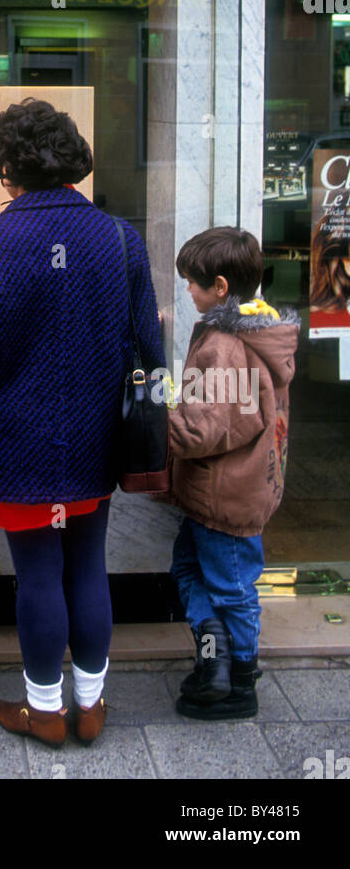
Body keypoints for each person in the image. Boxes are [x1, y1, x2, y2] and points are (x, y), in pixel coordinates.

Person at [0, 98, 164, 748]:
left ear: (8, 167)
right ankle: (91, 705)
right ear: (71, 159)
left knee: (38, 574)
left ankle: (44, 711)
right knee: (87, 568)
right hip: (97, 438)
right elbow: (150, 351)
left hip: (16, 442)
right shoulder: (120, 237)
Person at [169, 227, 299, 720]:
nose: (187, 292)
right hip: (242, 488)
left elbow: (207, 428)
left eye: (192, 283)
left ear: (220, 287)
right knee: (192, 571)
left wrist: (160, 420)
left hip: (225, 493)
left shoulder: (226, 343)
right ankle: (217, 662)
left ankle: (238, 679)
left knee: (231, 587)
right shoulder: (260, 330)